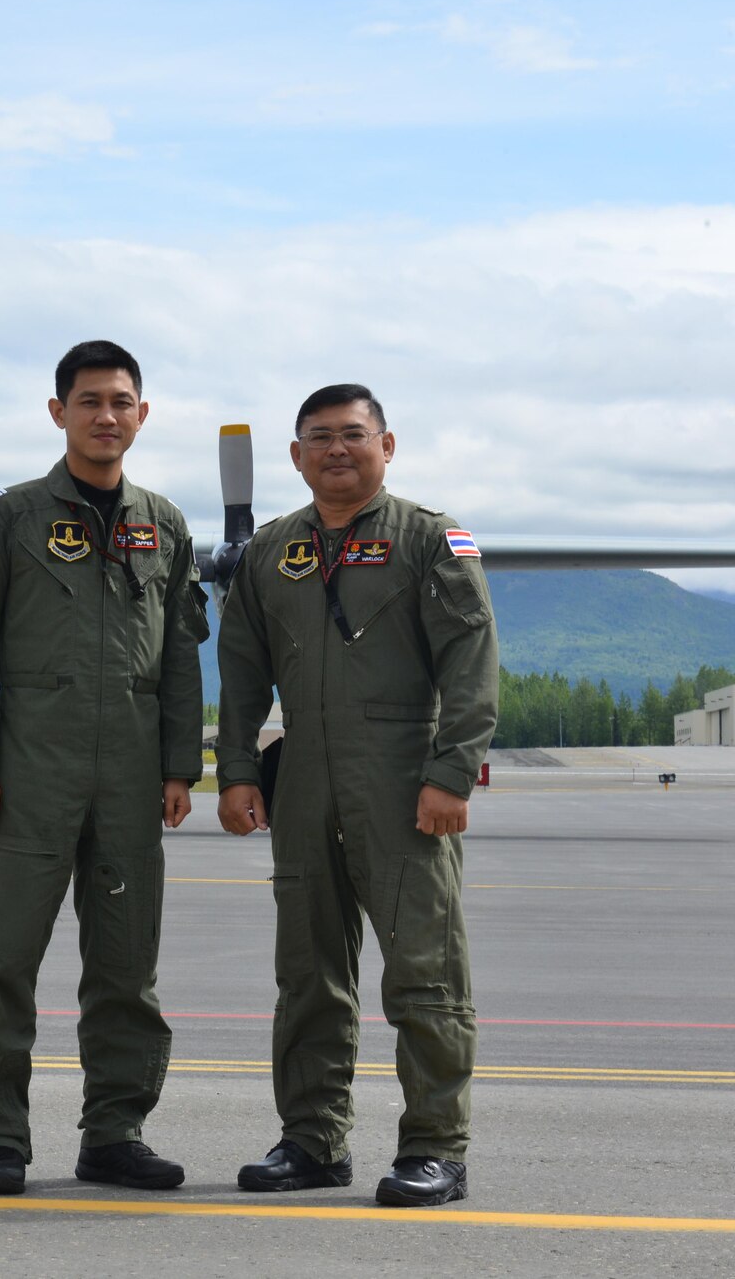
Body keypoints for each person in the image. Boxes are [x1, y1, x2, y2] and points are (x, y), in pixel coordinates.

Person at [216, 384, 498, 1209]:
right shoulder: (272, 552)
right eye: (319, 438)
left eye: (353, 435)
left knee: (424, 972)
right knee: (307, 971)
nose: (337, 450)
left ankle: (436, 1150)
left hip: (403, 775)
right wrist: (236, 770)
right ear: (296, 455)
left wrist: (451, 773)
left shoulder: (429, 539)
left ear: (387, 444)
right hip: (302, 775)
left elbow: (471, 662)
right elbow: (239, 670)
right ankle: (311, 1139)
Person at [0, 339, 209, 1197]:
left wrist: (181, 764)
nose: (107, 416)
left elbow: (179, 657)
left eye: (122, 401)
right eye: (90, 400)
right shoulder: (10, 518)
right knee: (6, 962)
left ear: (143, 414)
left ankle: (115, 1132)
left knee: (127, 967)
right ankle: (1, 1139)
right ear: (57, 411)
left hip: (134, 777)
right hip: (29, 774)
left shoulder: (164, 524)